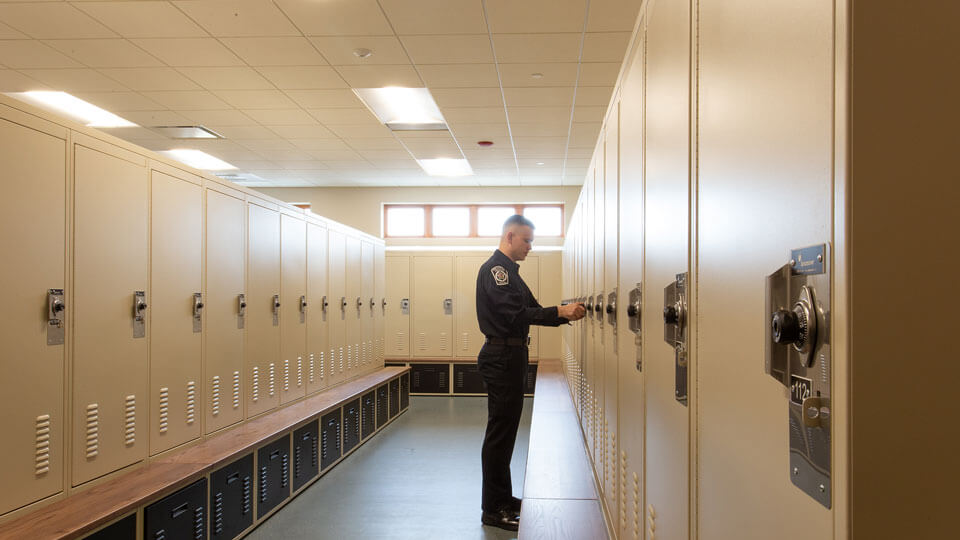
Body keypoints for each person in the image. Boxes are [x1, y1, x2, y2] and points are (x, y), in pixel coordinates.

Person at [475, 214, 586, 531]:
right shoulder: (497, 272)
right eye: (526, 241)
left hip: (511, 355)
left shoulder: (512, 274)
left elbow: (533, 310)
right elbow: (514, 314)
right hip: (502, 356)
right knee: (500, 434)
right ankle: (493, 509)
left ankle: (503, 498)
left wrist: (564, 315)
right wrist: (559, 312)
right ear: (509, 236)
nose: (529, 247)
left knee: (506, 432)